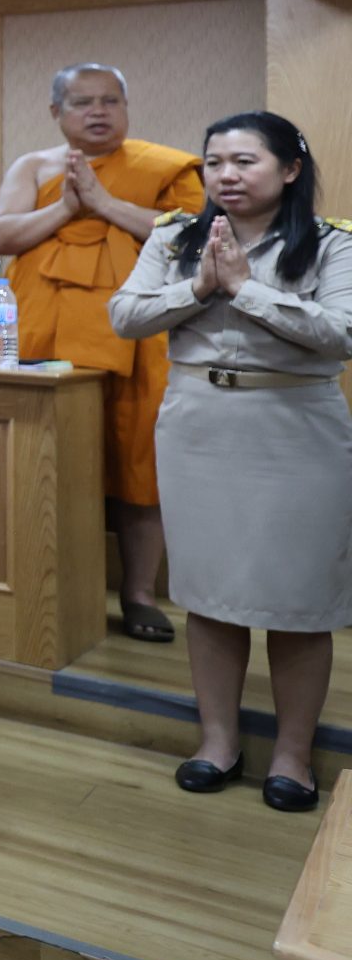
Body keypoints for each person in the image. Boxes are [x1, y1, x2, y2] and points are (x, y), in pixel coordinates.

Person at [108, 113, 352, 811]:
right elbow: (125, 315)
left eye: (245, 161)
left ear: (290, 169)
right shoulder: (173, 236)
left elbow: (343, 332)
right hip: (198, 426)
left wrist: (247, 289)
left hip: (296, 428)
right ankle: (218, 742)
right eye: (215, 162)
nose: (226, 175)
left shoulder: (332, 243)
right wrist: (199, 287)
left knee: (299, 600)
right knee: (209, 595)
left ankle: (293, 754)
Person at [0, 63, 203, 643]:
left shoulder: (162, 167)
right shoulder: (34, 167)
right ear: (56, 112)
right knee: (42, 460)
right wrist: (66, 207)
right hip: (44, 332)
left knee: (138, 463)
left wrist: (104, 202)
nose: (98, 112)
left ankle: (139, 594)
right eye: (82, 102)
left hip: (137, 334)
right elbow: (1, 235)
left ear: (126, 108)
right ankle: (41, 587)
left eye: (110, 101)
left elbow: (190, 235)